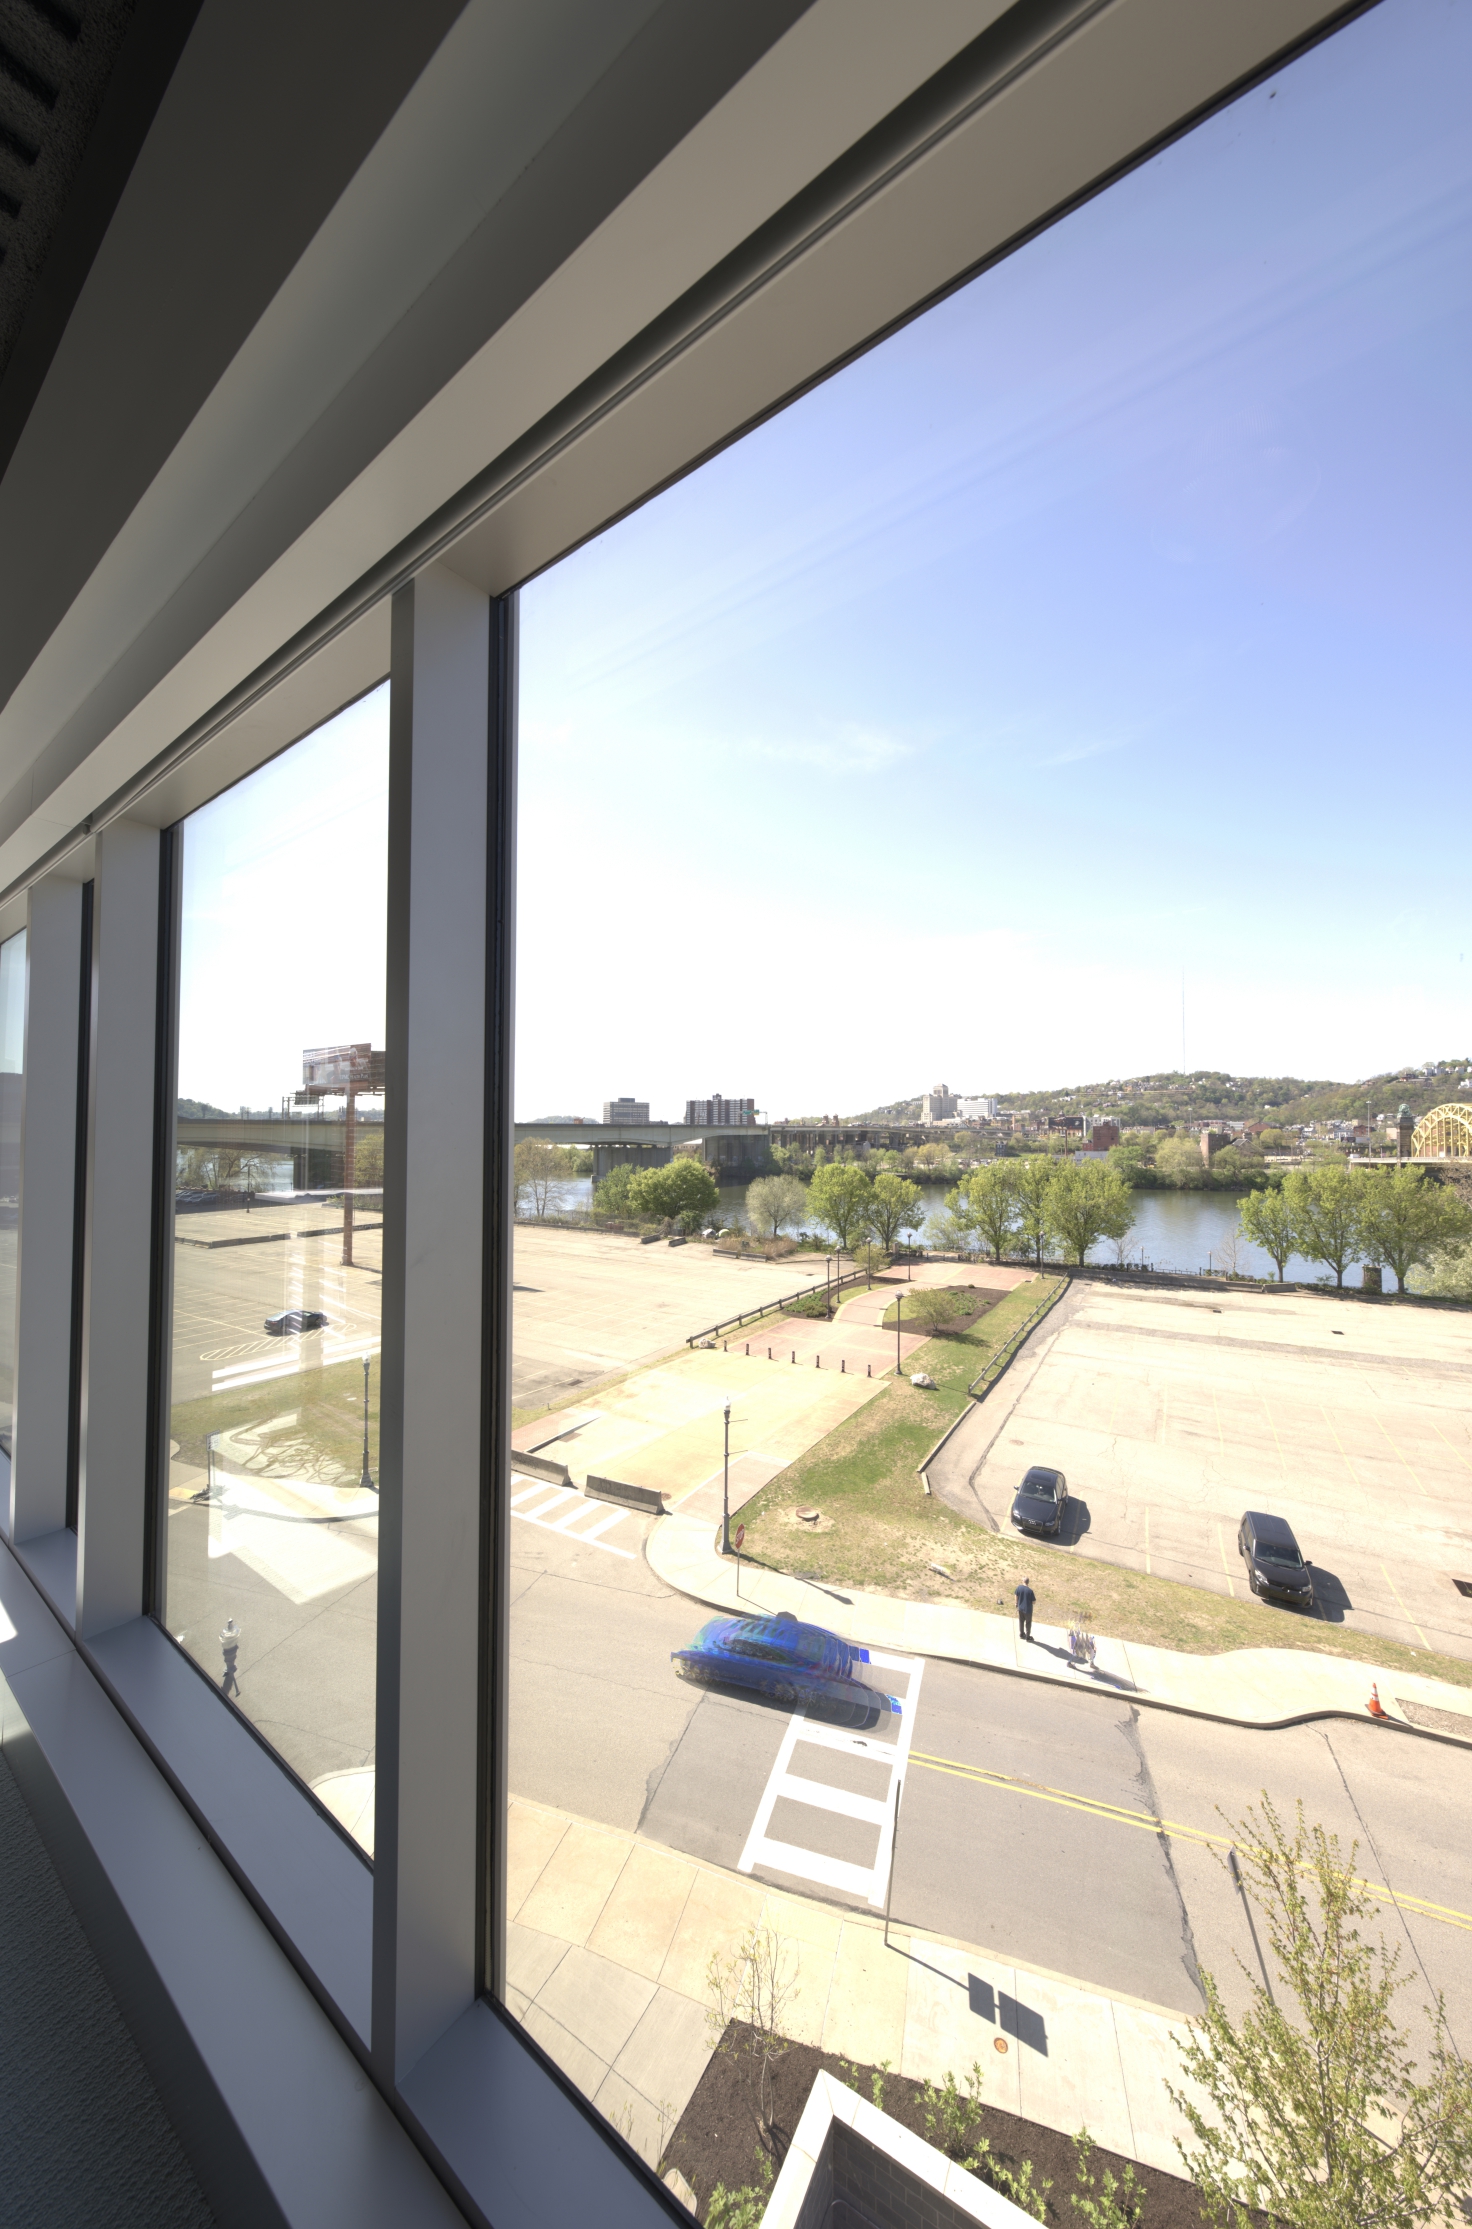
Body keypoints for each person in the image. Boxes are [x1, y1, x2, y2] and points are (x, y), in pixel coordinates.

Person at [1014, 1578, 1035, 1642]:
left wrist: (1016, 1603)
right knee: (1028, 1623)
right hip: (1028, 1610)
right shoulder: (1030, 1591)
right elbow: (1033, 1602)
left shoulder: (1019, 1587)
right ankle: (1027, 1637)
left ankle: (1021, 1634)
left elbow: (1016, 1595)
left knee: (1021, 1621)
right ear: (1028, 1582)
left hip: (1020, 1609)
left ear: (1023, 1581)